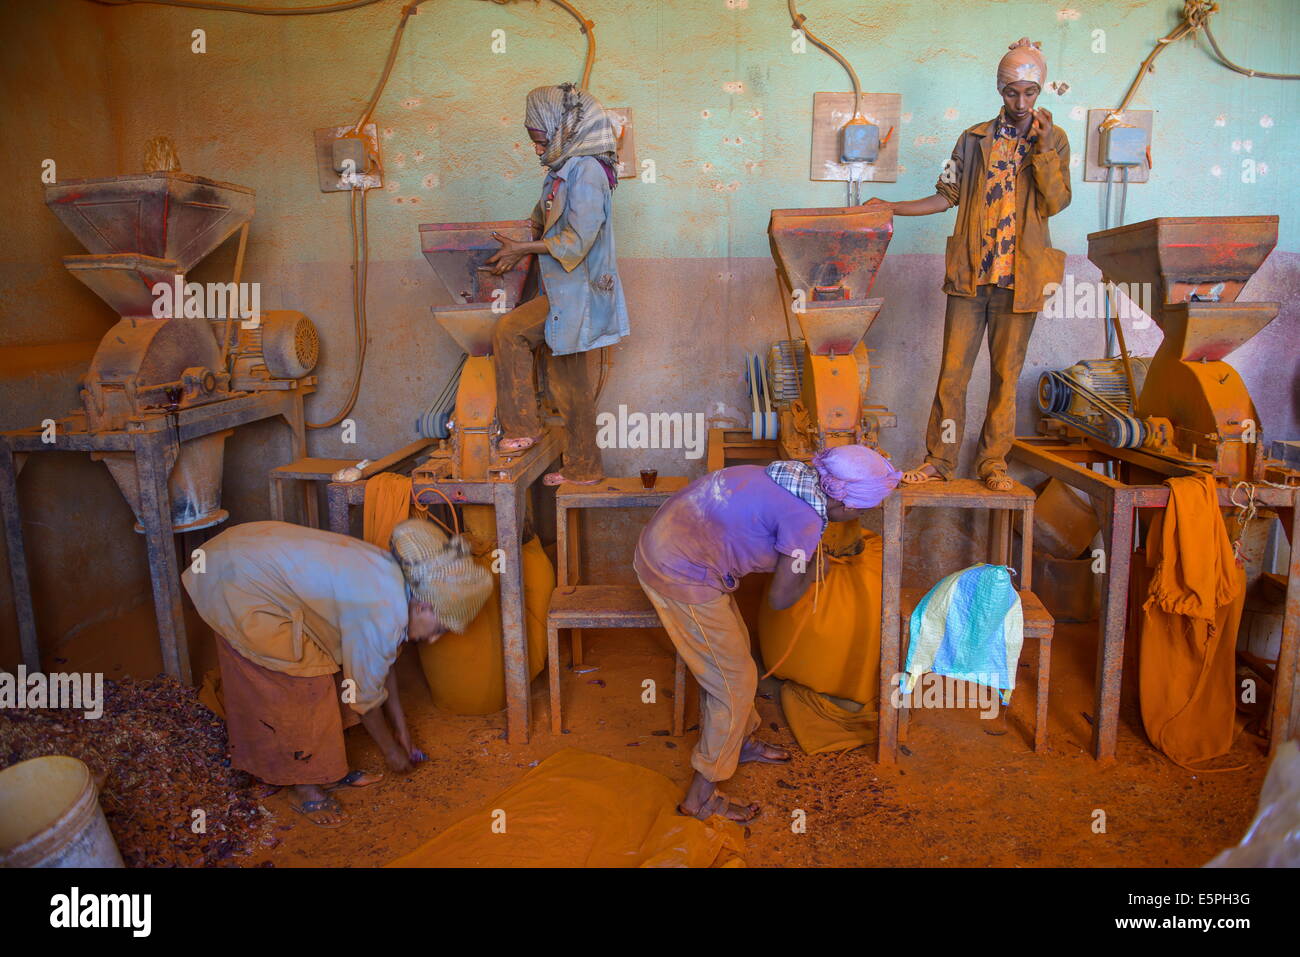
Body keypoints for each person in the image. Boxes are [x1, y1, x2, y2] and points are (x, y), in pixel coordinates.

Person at [633, 445, 901, 822]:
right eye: (863, 507)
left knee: (738, 655)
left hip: (671, 541)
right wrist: (809, 567)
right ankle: (700, 798)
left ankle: (740, 742)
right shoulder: (805, 523)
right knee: (734, 684)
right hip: (677, 571)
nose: (860, 514)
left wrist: (803, 556)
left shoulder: (791, 476)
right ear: (846, 503)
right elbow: (779, 598)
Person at [182, 519, 492, 828]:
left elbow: (383, 666)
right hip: (236, 577)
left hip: (246, 552)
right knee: (303, 683)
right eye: (440, 628)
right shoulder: (382, 611)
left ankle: (326, 769)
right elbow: (364, 696)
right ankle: (305, 787)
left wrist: (402, 732)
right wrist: (391, 753)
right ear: (424, 606)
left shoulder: (399, 587)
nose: (435, 639)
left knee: (328, 668)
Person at [866, 37, 1071, 492]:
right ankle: (939, 459)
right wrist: (891, 206)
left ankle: (992, 463)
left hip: (1021, 279)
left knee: (1005, 377)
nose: (1020, 102)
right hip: (970, 277)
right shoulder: (973, 139)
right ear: (1000, 91)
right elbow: (945, 196)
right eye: (1012, 91)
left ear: (1040, 93)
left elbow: (1056, 202)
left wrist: (1042, 149)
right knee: (952, 375)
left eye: (1029, 92)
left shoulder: (1054, 140)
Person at [487, 82, 629, 487]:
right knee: (569, 382)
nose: (535, 148)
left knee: (511, 331)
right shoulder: (561, 171)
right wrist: (515, 237)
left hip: (579, 292)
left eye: (539, 138)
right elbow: (543, 219)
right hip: (564, 289)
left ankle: (521, 429)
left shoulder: (585, 172)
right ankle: (584, 468)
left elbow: (577, 240)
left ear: (562, 127)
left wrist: (522, 249)